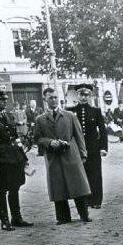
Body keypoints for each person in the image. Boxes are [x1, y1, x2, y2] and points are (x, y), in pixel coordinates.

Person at [0, 86, 33, 231]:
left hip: (14, 158)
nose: (4, 102)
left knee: (15, 187)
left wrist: (23, 157)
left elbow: (15, 139)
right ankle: (4, 220)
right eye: (1, 99)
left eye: (5, 99)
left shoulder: (8, 116)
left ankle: (16, 218)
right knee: (1, 190)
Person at [35, 88, 92, 224]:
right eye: (50, 98)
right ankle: (62, 217)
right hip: (53, 157)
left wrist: (83, 154)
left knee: (78, 185)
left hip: (71, 154)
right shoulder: (40, 119)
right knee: (58, 187)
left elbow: (79, 136)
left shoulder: (69, 115)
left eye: (55, 97)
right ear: (45, 100)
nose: (53, 100)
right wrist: (49, 142)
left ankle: (84, 214)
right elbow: (37, 138)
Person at [66, 84, 108, 209]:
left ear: (89, 96)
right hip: (77, 148)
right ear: (77, 95)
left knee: (95, 173)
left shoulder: (96, 111)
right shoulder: (70, 111)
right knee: (80, 174)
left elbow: (102, 130)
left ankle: (96, 200)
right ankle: (84, 201)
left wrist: (103, 147)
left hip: (93, 147)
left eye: (86, 95)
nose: (83, 97)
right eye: (81, 95)